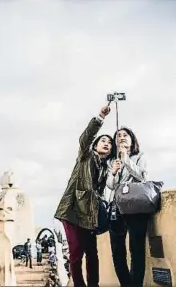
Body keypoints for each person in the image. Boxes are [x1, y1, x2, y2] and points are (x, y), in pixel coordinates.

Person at [54, 104, 114, 287]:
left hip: (89, 214)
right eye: (103, 140)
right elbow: (85, 138)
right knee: (75, 252)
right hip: (72, 210)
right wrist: (100, 118)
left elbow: (102, 193)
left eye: (110, 143)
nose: (107, 143)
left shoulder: (105, 168)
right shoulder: (85, 156)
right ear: (95, 145)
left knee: (92, 253)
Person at [106, 127, 149, 287]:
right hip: (117, 208)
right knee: (117, 252)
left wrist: (127, 160)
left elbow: (143, 177)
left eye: (125, 135)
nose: (122, 137)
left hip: (136, 207)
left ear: (132, 139)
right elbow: (111, 185)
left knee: (136, 250)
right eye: (118, 136)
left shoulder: (140, 156)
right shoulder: (113, 161)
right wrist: (115, 172)